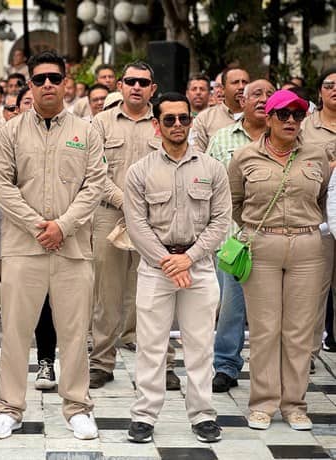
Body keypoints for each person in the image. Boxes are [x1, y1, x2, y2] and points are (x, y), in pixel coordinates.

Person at [0, 50, 106, 441]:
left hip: (72, 250)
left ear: (66, 81)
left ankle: (77, 408)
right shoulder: (9, 132)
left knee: (74, 333)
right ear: (30, 85)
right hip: (24, 249)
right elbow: (1, 186)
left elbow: (94, 185)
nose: (48, 85)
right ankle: (8, 407)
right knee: (17, 332)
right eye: (39, 79)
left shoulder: (86, 132)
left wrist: (64, 226)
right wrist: (39, 225)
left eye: (55, 77)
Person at [124, 92, 231, 444]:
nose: (177, 125)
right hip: (156, 268)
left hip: (198, 267)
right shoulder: (140, 171)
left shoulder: (212, 169)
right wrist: (169, 262)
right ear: (157, 125)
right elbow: (137, 225)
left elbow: (221, 222)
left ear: (191, 121)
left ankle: (202, 415)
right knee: (151, 345)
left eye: (183, 118)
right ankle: (144, 415)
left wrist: (189, 258)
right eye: (169, 119)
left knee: (200, 345)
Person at [228, 89, 329, 431]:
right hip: (262, 242)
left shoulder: (317, 154)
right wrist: (258, 230)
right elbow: (235, 202)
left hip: (307, 245)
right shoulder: (244, 157)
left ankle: (295, 404)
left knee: (299, 330)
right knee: (265, 329)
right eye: (283, 115)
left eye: (298, 115)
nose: (291, 121)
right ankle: (263, 402)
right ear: (268, 118)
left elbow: (323, 197)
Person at [89, 61, 165, 389]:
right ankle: (101, 362)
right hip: (109, 214)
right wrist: (126, 202)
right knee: (107, 293)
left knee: (154, 292)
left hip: (156, 219)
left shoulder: (164, 122)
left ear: (153, 88)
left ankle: (161, 364)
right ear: (120, 85)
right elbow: (93, 172)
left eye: (143, 82)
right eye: (130, 81)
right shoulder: (100, 122)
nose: (136, 87)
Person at [206, 79, 275, 393]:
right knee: (231, 309)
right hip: (234, 239)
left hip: (278, 240)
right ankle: (225, 366)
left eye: (269, 94)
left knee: (273, 311)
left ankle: (273, 368)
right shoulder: (222, 138)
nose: (263, 100)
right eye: (256, 94)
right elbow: (208, 185)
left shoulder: (288, 140)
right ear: (242, 102)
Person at [302, 68, 336, 355]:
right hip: (316, 218)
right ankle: (308, 351)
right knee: (315, 289)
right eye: (329, 85)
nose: (335, 89)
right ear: (320, 92)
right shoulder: (305, 127)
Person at [191, 68, 249, 152]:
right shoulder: (204, 119)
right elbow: (197, 156)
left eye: (245, 82)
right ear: (222, 89)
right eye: (235, 82)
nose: (241, 87)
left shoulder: (259, 117)